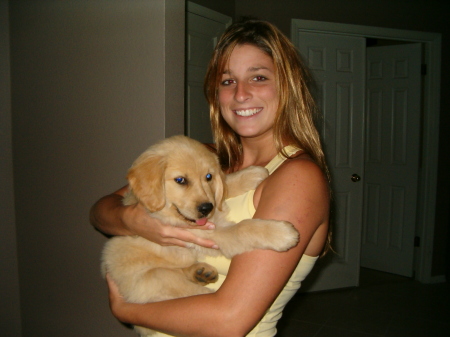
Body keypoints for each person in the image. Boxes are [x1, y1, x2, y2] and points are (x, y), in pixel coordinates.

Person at [90, 19, 331, 337]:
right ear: (216, 93)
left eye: (258, 77)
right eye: (228, 81)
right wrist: (134, 220)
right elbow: (100, 210)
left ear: (287, 85)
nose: (241, 94)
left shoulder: (298, 177)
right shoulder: (203, 156)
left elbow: (229, 321)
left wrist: (126, 309)